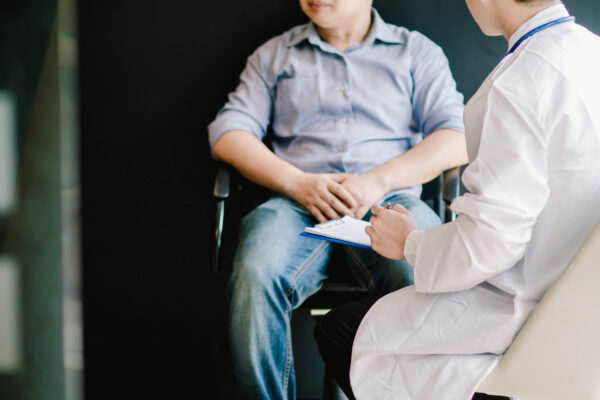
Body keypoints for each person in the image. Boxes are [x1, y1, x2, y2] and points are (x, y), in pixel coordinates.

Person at [313, 0, 600, 399]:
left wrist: (409, 243)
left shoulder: (517, 84)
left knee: (341, 330)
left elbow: (490, 243)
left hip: (528, 310)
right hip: (582, 313)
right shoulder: (591, 51)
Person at [208, 0, 468, 398]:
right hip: (296, 205)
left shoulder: (414, 51)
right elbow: (228, 133)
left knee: (422, 273)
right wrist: (297, 182)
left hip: (388, 200)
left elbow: (457, 137)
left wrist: (376, 181)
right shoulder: (275, 54)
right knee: (256, 275)